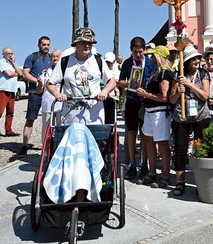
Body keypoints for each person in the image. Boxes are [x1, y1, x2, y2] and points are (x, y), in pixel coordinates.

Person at [48, 27, 116, 125]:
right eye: (83, 42)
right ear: (75, 44)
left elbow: (112, 81)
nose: (87, 46)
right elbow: (50, 84)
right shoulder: (64, 61)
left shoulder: (98, 60)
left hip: (95, 120)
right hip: (70, 120)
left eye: (90, 43)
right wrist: (57, 94)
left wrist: (105, 91)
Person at [170, 47, 211, 196]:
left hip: (200, 115)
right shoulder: (178, 75)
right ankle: (180, 182)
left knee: (202, 148)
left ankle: (202, 180)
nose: (197, 61)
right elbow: (171, 99)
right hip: (181, 116)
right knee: (180, 149)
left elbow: (205, 96)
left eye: (198, 58)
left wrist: (190, 85)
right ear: (186, 62)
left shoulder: (203, 74)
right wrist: (178, 92)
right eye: (194, 59)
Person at [135, 45, 174, 188]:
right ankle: (152, 171)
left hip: (160, 111)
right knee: (148, 140)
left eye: (152, 56)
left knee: (162, 143)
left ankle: (165, 174)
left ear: (158, 57)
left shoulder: (164, 73)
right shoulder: (155, 73)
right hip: (150, 110)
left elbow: (165, 96)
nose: (150, 58)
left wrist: (147, 95)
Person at [117, 36, 154, 180]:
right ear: (131, 51)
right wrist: (130, 84)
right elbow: (120, 81)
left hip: (145, 102)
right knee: (131, 133)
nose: (138, 55)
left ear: (144, 50)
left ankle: (144, 164)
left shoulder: (151, 63)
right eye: (135, 52)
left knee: (145, 135)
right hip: (132, 101)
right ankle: (132, 164)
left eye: (140, 52)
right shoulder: (127, 63)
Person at [20, 36, 52, 156]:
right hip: (35, 93)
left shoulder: (51, 58)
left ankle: (47, 145)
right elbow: (25, 73)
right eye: (44, 44)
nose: (46, 47)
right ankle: (24, 145)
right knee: (30, 119)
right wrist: (38, 81)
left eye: (48, 45)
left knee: (49, 120)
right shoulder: (32, 57)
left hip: (48, 94)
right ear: (39, 45)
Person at [0, 47, 24, 140]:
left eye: (11, 53)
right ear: (3, 54)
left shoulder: (12, 64)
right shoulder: (1, 62)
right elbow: (9, 73)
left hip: (12, 90)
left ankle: (8, 130)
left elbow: (20, 72)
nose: (10, 55)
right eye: (8, 53)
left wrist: (14, 63)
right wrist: (16, 73)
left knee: (10, 112)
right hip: (3, 90)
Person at [39, 49, 62, 145]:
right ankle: (46, 146)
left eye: (57, 56)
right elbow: (39, 90)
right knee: (46, 126)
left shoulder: (64, 71)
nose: (55, 58)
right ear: (50, 58)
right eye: (53, 56)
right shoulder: (45, 72)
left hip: (61, 103)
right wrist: (39, 83)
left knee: (60, 126)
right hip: (48, 103)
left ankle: (59, 145)